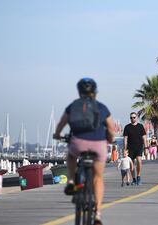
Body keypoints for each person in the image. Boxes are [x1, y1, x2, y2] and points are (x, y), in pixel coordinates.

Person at [53, 77, 115, 225]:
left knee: (71, 156)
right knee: (98, 178)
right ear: (95, 92)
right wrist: (110, 139)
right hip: (99, 144)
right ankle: (98, 214)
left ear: (79, 92)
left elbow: (61, 124)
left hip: (78, 143)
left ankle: (72, 180)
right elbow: (111, 128)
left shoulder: (73, 106)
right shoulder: (101, 107)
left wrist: (57, 135)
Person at [123, 112, 148, 185]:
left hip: (139, 147)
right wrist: (125, 149)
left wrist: (146, 148)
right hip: (130, 148)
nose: (132, 119)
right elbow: (125, 139)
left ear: (136, 118)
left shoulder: (140, 126)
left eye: (134, 117)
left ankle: (138, 177)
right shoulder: (127, 127)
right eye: (131, 117)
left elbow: (144, 137)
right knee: (131, 164)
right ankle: (133, 179)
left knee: (139, 161)